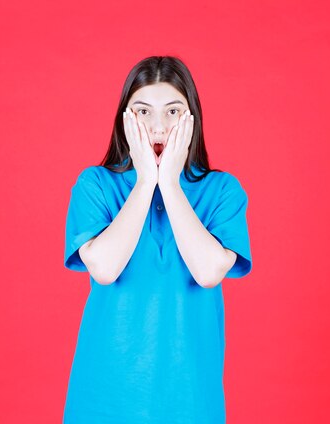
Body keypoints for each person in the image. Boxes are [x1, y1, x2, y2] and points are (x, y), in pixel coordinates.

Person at [62, 56, 253, 423]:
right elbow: (103, 267)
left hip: (192, 400)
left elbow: (209, 271)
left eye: (172, 111)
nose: (158, 127)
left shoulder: (222, 191)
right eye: (143, 112)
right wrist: (146, 180)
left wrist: (169, 182)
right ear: (125, 119)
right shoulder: (95, 185)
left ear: (191, 118)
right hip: (103, 397)